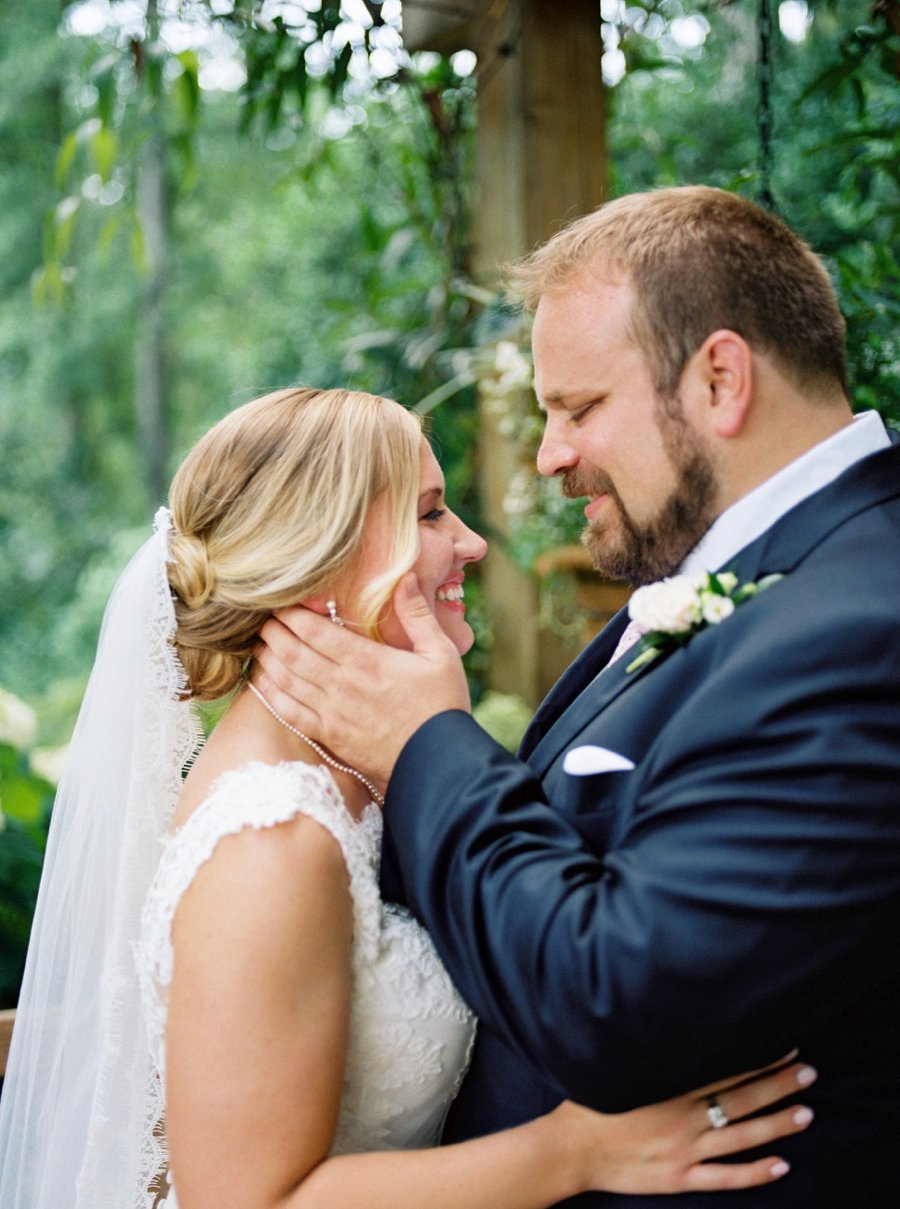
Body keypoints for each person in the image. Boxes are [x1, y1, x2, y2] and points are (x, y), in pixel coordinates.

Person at [0, 386, 814, 1209]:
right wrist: (576, 1150)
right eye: (429, 515)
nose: (470, 543)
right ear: (318, 564)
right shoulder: (271, 839)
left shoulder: (359, 767)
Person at [252, 188, 900, 1207]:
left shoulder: (863, 624)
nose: (552, 456)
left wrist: (428, 743)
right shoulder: (732, 583)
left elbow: (617, 1005)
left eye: (580, 409)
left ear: (721, 379)